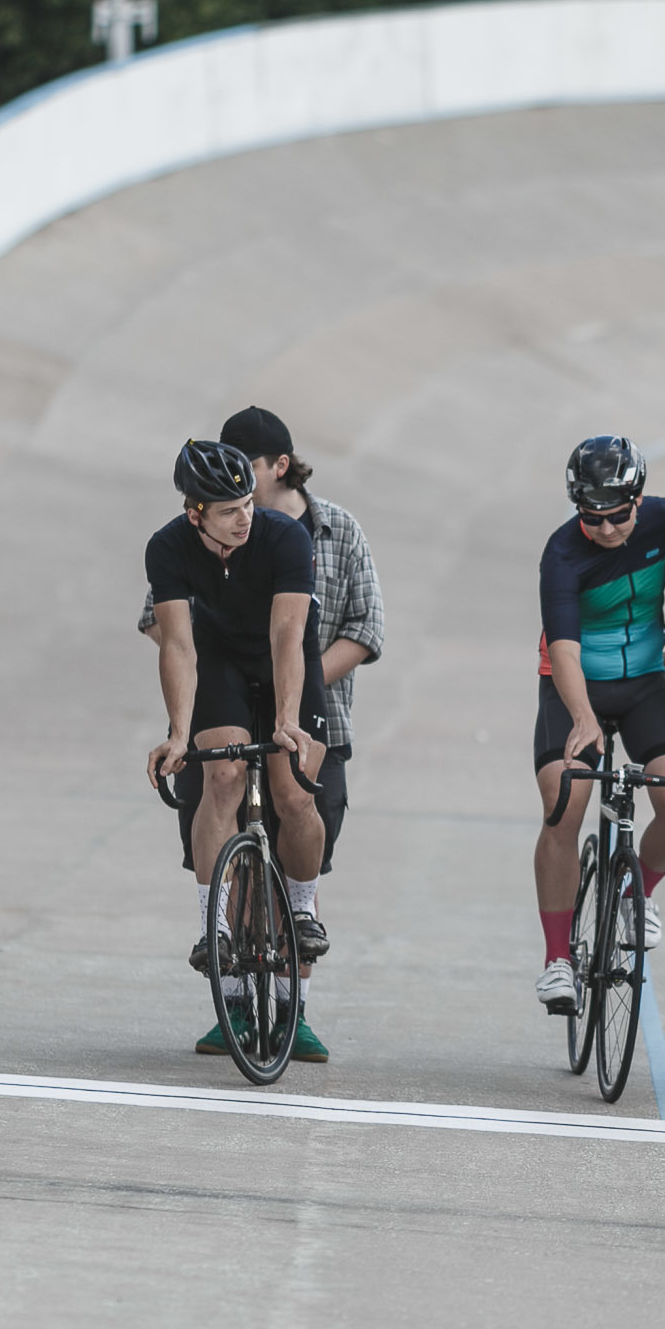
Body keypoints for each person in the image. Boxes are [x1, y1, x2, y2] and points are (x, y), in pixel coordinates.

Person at [137, 407, 383, 1046]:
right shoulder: (166, 547)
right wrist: (178, 731)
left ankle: (301, 915)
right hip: (218, 659)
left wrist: (285, 724)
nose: (246, 516)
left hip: (282, 660)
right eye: (228, 510)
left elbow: (286, 634)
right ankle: (214, 928)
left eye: (248, 502)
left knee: (292, 787)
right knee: (218, 777)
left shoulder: (283, 537)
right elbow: (178, 647)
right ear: (196, 513)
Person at [531, 436, 665, 1016]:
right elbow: (565, 648)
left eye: (616, 516)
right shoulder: (562, 554)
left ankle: (635, 893)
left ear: (640, 498)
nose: (604, 529)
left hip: (645, 684)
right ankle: (558, 960)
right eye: (591, 518)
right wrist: (582, 718)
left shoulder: (662, 522)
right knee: (565, 799)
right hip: (574, 685)